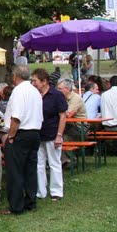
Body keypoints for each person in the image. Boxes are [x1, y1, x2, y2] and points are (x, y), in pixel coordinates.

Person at [0, 65, 43, 215]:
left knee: (15, 171)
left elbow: (16, 117)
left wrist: (11, 136)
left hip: (21, 133)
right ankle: (31, 202)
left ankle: (16, 206)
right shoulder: (34, 91)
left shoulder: (19, 91)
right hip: (35, 132)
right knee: (30, 169)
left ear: (15, 76)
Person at [33, 68, 67, 202]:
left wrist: (59, 135)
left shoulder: (56, 95)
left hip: (52, 133)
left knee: (54, 163)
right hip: (37, 134)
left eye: (35, 81)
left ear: (44, 81)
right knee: (39, 164)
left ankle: (56, 191)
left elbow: (63, 116)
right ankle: (40, 191)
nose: (34, 83)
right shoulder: (35, 94)